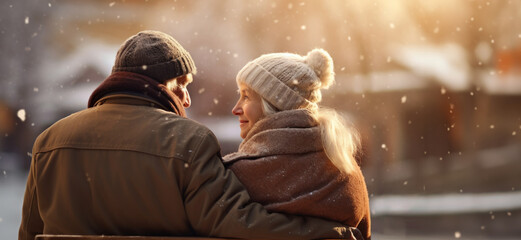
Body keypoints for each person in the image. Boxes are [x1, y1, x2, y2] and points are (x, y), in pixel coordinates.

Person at [18, 31, 364, 240]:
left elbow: (30, 232)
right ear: (160, 83)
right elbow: (238, 222)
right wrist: (326, 234)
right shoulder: (189, 142)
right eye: (183, 85)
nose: (186, 98)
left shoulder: (49, 141)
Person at [223, 49, 371, 239]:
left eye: (246, 96)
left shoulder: (239, 174)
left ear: (275, 104)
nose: (236, 109)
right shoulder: (345, 169)